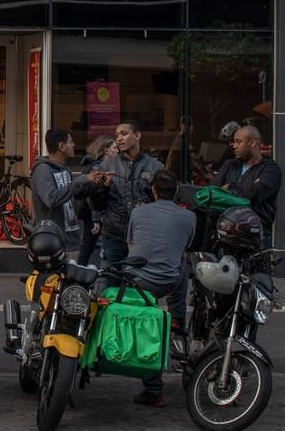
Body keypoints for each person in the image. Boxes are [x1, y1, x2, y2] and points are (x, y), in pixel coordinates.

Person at [125, 169, 194, 408]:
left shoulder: (138, 212)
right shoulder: (189, 217)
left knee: (149, 329)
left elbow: (132, 247)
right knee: (183, 263)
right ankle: (177, 318)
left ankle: (154, 390)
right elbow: (184, 249)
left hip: (139, 283)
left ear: (153, 191)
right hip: (171, 280)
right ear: (175, 192)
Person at [90, 121, 164, 274]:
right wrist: (101, 188)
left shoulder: (155, 167)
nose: (119, 139)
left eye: (124, 133)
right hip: (113, 236)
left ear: (137, 135)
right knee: (107, 284)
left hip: (142, 238)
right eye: (116, 135)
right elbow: (97, 205)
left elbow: (162, 204)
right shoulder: (106, 166)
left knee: (139, 287)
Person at [31, 129, 99, 250]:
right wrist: (81, 180)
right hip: (52, 242)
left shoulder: (65, 169)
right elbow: (51, 199)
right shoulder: (43, 170)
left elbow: (75, 194)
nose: (74, 145)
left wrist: (96, 182)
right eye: (70, 142)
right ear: (62, 146)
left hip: (71, 240)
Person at [215, 125, 281, 248]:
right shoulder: (229, 165)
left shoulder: (270, 169)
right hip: (225, 234)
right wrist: (244, 188)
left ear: (252, 143)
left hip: (255, 236)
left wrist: (229, 187)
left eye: (238, 142)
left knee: (255, 268)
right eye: (234, 142)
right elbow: (213, 190)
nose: (234, 146)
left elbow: (254, 194)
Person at [76, 135, 115, 265]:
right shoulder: (99, 167)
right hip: (92, 214)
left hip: (94, 213)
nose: (117, 151)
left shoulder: (105, 165)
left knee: (88, 247)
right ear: (106, 150)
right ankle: (78, 278)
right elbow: (93, 194)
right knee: (87, 247)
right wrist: (96, 218)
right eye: (114, 148)